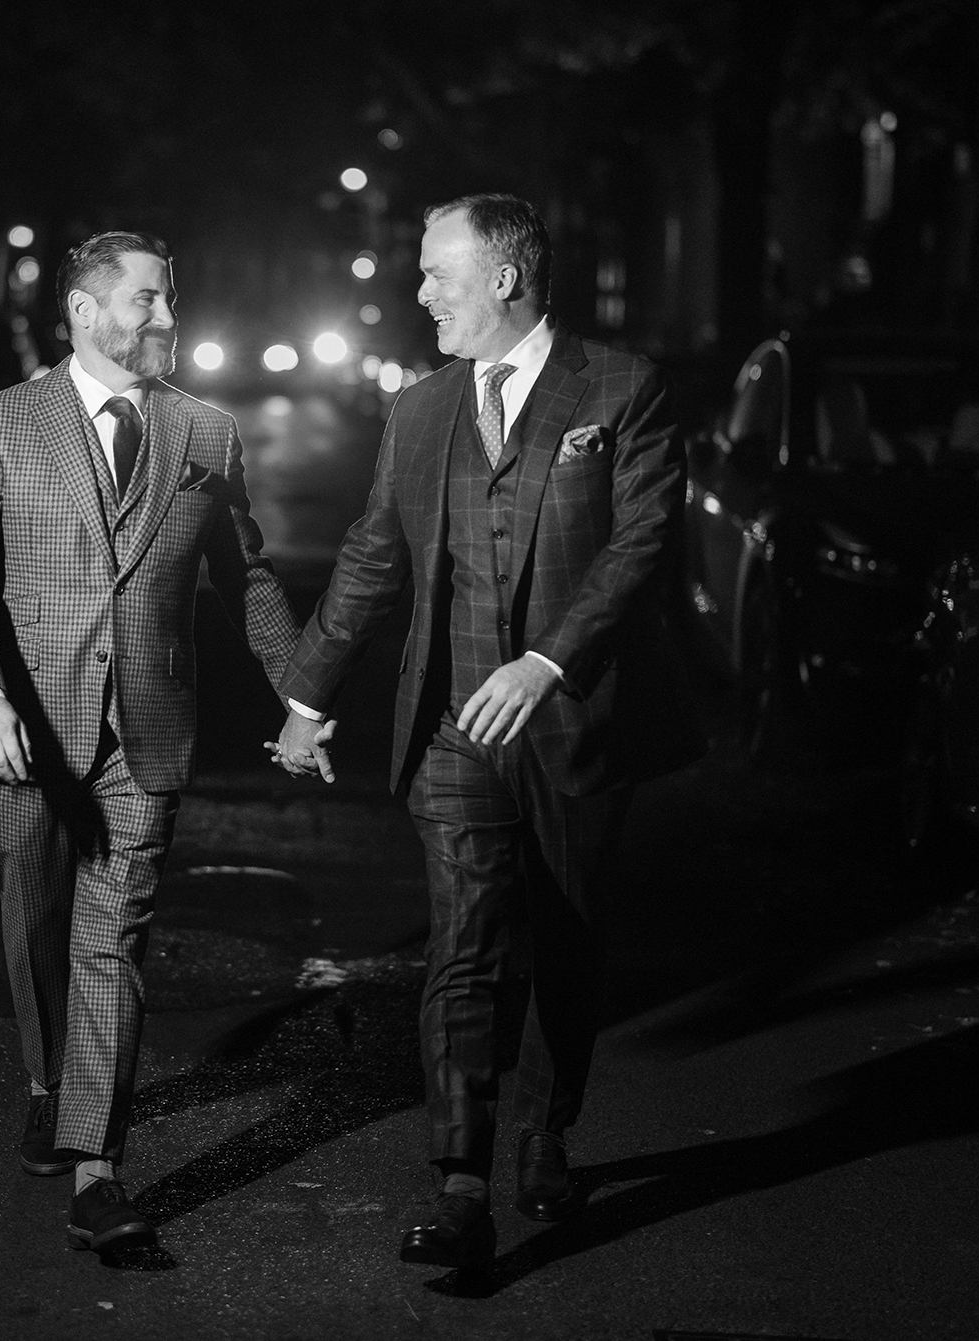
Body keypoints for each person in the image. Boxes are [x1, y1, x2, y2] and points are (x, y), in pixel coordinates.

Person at [272, 193, 701, 1269]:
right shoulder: (419, 411)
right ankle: (459, 1181)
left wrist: (549, 663)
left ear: (504, 278)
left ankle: (542, 1135)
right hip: (454, 730)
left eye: (436, 273)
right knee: (461, 945)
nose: (419, 293)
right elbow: (373, 557)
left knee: (565, 939)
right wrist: (307, 697)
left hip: (577, 724)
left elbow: (640, 548)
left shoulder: (623, 388)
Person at [0, 231, 299, 1257]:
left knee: (112, 938)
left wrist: (303, 692)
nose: (166, 320)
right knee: (31, 919)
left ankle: (98, 1167)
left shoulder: (206, 433)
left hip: (147, 732)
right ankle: (50, 1082)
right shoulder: (1, 425)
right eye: (145, 301)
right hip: (26, 735)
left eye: (170, 300)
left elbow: (249, 578)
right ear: (85, 313)